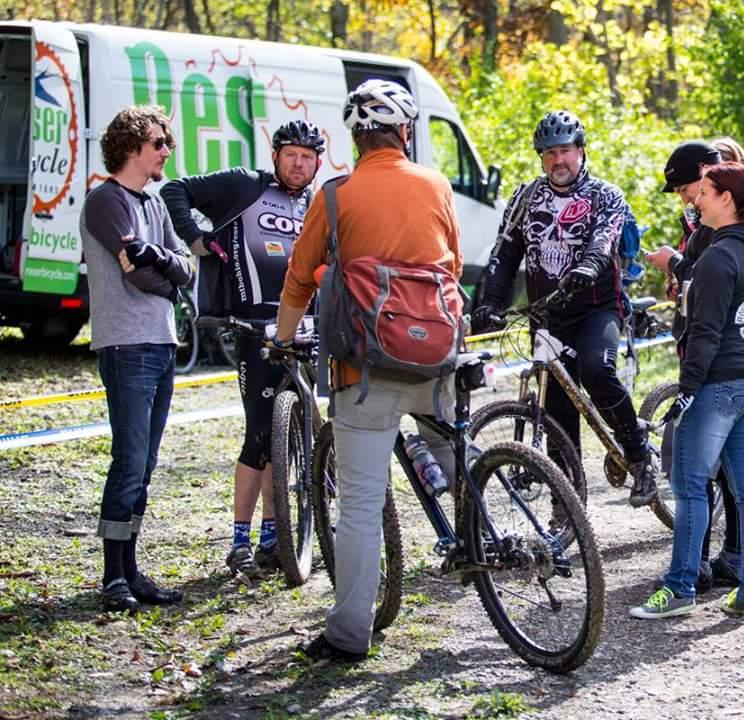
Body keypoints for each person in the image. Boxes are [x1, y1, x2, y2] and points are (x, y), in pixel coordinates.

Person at [273, 79, 462, 661]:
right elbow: (451, 263)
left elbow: (300, 280)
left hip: (365, 372)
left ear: (355, 138)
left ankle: (349, 634)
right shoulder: (436, 184)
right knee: (459, 459)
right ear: (405, 132)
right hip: (437, 359)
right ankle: (488, 537)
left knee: (357, 505)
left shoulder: (335, 196)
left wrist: (284, 342)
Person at [161, 120, 324, 580]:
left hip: (303, 331)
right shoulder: (244, 185)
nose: (299, 163)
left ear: (317, 164)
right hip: (254, 329)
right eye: (291, 154)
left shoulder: (314, 204)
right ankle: (239, 541)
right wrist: (198, 240)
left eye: (307, 157)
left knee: (286, 442)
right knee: (258, 435)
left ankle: (275, 536)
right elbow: (175, 189)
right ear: (276, 156)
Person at [471, 110, 658, 506]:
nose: (559, 160)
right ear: (541, 157)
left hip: (597, 308)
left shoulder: (605, 195)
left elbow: (605, 240)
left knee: (597, 369)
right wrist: (489, 302)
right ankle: (567, 502)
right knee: (555, 404)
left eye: (566, 151)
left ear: (581, 151)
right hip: (548, 316)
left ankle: (640, 456)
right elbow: (504, 255)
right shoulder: (526, 198)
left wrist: (589, 267)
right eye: (550, 153)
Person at [630, 162, 744, 620]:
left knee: (690, 486)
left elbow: (704, 334)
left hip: (722, 383)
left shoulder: (720, 257)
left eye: (706, 192)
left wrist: (687, 391)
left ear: (727, 199)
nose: (696, 200)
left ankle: (678, 589)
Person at [80, 105, 194, 612]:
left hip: (162, 343)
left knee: (145, 465)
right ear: (131, 148)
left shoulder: (153, 202)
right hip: (126, 345)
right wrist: (164, 274)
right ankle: (112, 576)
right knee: (127, 462)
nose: (166, 150)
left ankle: (131, 569)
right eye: (158, 142)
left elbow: (185, 268)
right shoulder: (106, 200)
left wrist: (162, 263)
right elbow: (134, 274)